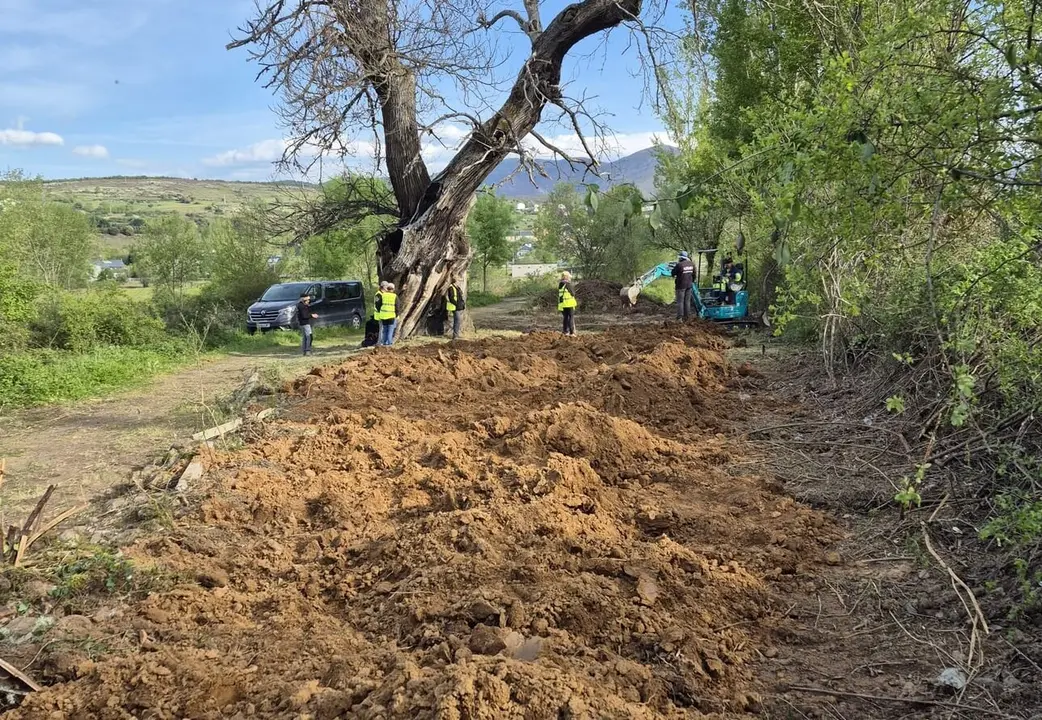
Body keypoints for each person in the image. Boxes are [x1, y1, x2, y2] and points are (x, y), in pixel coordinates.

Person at [670, 251, 695, 320]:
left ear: (680, 257)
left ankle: (679, 317)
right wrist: (691, 281)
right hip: (689, 286)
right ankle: (687, 317)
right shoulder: (692, 264)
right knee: (687, 302)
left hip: (680, 286)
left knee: (680, 302)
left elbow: (673, 273)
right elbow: (694, 274)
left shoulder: (679, 265)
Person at [374, 281, 398, 346]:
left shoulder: (383, 294)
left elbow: (379, 305)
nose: (386, 288)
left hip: (383, 315)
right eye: (386, 286)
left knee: (384, 330)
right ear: (383, 287)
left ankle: (384, 342)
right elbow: (377, 305)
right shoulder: (379, 294)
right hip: (383, 315)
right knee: (385, 330)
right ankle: (383, 343)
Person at [558, 271, 577, 336]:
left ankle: (565, 331)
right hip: (569, 303)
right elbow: (573, 293)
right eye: (569, 277)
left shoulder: (560, 284)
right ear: (566, 277)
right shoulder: (568, 284)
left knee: (565, 317)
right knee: (571, 317)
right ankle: (572, 332)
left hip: (563, 304)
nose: (569, 278)